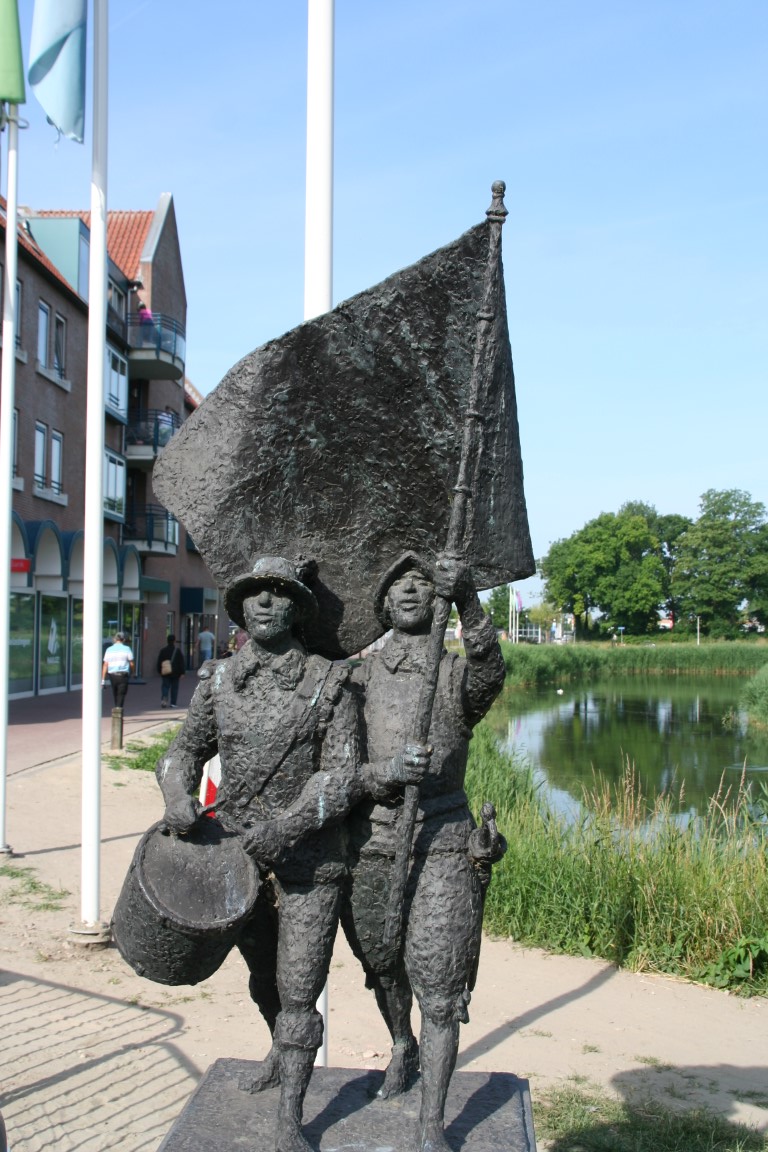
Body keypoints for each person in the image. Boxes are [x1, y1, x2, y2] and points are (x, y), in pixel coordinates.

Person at [156, 556, 424, 1152]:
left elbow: (340, 776)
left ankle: (290, 1122)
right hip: (239, 862)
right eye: (255, 594)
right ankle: (278, 1056)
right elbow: (182, 753)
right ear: (239, 608)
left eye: (279, 594)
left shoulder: (330, 683)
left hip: (310, 863)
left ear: (299, 609)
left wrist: (286, 828)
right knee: (262, 977)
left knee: (300, 988)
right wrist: (177, 795)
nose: (264, 603)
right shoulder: (219, 682)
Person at [341, 552, 506, 1152]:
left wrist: (469, 599)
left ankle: (432, 1120)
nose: (411, 591)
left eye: (421, 583)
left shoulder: (455, 673)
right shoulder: (358, 678)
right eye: (398, 585)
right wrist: (382, 773)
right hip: (375, 839)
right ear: (383, 603)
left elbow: (491, 674)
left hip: (442, 838)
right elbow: (340, 762)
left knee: (439, 986)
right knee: (382, 963)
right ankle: (400, 1042)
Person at [101, 631, 135, 710]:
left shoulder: (109, 649)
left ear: (115, 639)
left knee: (115, 692)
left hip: (112, 675)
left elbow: (105, 664)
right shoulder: (127, 649)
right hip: (123, 675)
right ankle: (118, 710)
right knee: (121, 693)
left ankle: (117, 707)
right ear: (123, 640)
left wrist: (103, 679)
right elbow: (131, 663)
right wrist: (133, 672)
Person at [156, 634, 185, 708]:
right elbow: (181, 662)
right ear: (174, 641)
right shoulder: (177, 651)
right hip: (175, 673)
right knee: (174, 688)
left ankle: (164, 698)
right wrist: (182, 672)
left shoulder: (163, 651)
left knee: (165, 686)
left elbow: (159, 661)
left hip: (165, 672)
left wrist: (159, 671)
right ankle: (173, 703)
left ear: (167, 641)